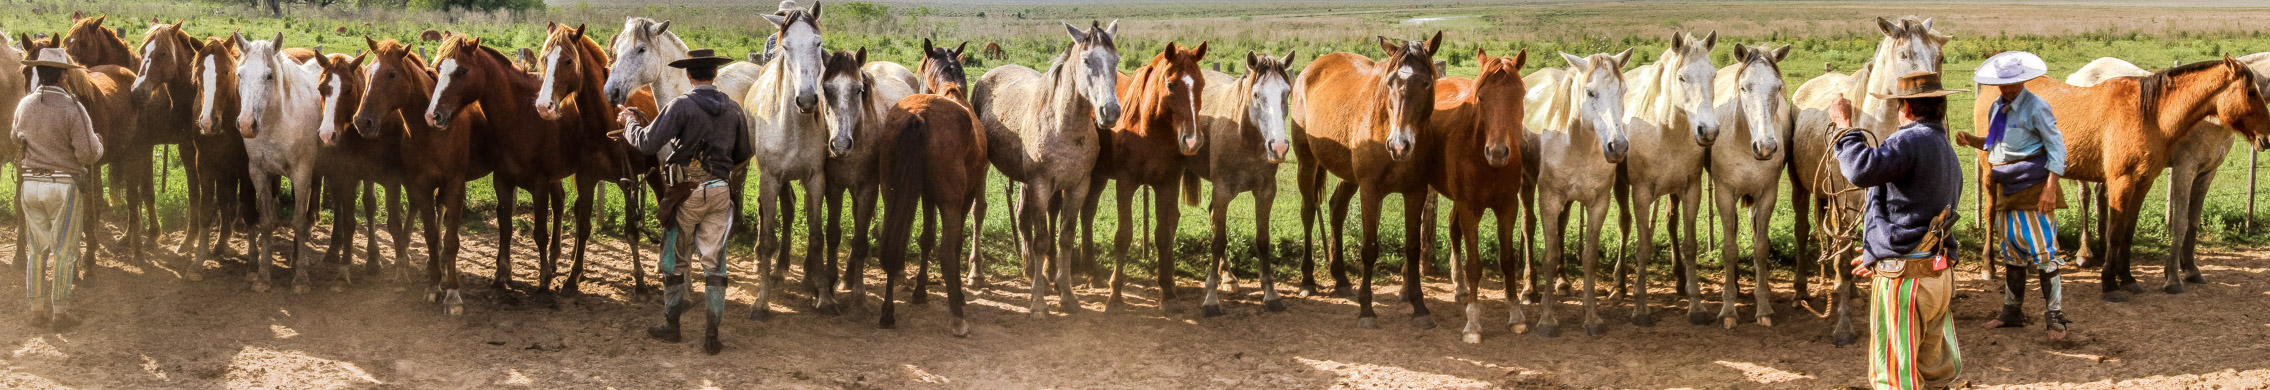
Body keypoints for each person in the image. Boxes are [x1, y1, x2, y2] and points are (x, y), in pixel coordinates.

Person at [1829, 71, 1966, 390]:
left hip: (1907, 283)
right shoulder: (1943, 148)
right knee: (1931, 373)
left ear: (1905, 107)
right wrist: (1879, 253)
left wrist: (1843, 128)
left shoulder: (1911, 139)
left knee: (1895, 376)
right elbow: (1915, 211)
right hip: (1936, 275)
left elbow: (1860, 170)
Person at [614, 48, 753, 355]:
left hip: (686, 192)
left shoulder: (680, 106)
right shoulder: (732, 109)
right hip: (719, 191)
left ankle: (672, 326)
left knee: (674, 262)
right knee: (715, 265)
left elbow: (647, 142)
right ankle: (712, 334)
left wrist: (628, 123)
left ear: (689, 75)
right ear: (715, 74)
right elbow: (743, 152)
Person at [1956, 51, 2071, 340]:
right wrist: (1972, 141)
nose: (2007, 88)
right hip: (2005, 187)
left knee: (2045, 254)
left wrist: (2049, 189)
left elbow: (2057, 148)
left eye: (2012, 83)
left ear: (2022, 80)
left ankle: (2055, 318)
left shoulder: (2037, 107)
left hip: (2034, 188)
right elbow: (1996, 144)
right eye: (2003, 84)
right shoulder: (1997, 107)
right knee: (2012, 254)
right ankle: (2012, 311)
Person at [13, 48, 104, 331]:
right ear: (64, 76)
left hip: (30, 185)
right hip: (64, 188)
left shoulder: (25, 105)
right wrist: (99, 142)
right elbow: (87, 153)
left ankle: (36, 310)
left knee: (36, 250)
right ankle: (60, 314)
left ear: (40, 73)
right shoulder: (73, 108)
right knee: (65, 251)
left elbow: (16, 137)